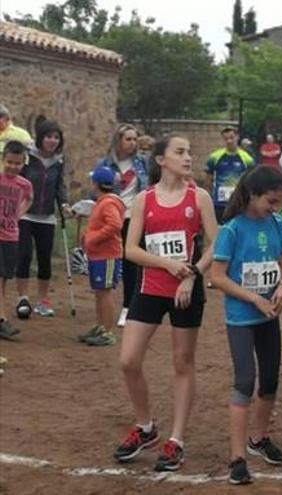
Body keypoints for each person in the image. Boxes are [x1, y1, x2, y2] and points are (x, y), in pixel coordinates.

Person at [112, 134, 218, 472]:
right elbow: (130, 249)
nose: (188, 157)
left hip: (187, 290)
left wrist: (192, 274)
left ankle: (176, 440)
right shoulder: (144, 200)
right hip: (151, 286)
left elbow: (217, 244)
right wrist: (169, 265)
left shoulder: (199, 197)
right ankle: (145, 427)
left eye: (189, 151)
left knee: (182, 363)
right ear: (161, 159)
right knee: (129, 361)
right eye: (180, 152)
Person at [211, 166, 282, 485]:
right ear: (253, 194)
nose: (275, 208)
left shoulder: (279, 224)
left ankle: (258, 438)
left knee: (270, 379)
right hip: (242, 318)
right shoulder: (232, 229)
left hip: (269, 315)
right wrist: (253, 299)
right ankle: (237, 457)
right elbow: (217, 277)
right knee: (245, 380)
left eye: (279, 203)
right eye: (271, 201)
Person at [95, 124, 149, 328]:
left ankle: (128, 306)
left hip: (134, 218)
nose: (133, 143)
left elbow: (149, 188)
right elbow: (96, 192)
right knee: (108, 260)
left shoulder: (142, 163)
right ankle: (103, 305)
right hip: (112, 217)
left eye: (135, 139)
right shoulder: (105, 164)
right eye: (128, 139)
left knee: (130, 263)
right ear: (118, 140)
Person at [15, 120, 70, 318]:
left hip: (47, 217)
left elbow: (60, 186)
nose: (52, 141)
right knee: (24, 255)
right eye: (48, 136)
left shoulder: (59, 161)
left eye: (56, 137)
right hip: (25, 213)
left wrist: (63, 203)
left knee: (45, 259)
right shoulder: (29, 157)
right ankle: (23, 297)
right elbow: (18, 181)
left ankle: (42, 301)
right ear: (41, 138)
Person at [78, 165, 125, 346]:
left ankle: (107, 331)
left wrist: (93, 238)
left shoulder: (107, 203)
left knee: (104, 292)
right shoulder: (104, 202)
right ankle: (101, 326)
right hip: (99, 254)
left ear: (95, 183)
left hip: (107, 254)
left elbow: (114, 225)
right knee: (99, 291)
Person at [0, 141, 33, 341]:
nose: (13, 166)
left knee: (4, 278)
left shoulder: (24, 184)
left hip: (11, 235)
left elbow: (29, 198)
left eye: (17, 163)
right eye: (9, 162)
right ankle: (2, 319)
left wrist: (19, 213)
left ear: (23, 164)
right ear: (3, 159)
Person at [206, 127, 255, 225]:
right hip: (219, 202)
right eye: (226, 138)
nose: (229, 141)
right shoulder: (214, 157)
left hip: (237, 201)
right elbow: (208, 179)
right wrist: (209, 197)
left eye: (231, 137)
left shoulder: (247, 158)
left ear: (237, 137)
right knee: (220, 228)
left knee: (237, 227)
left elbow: (251, 180)